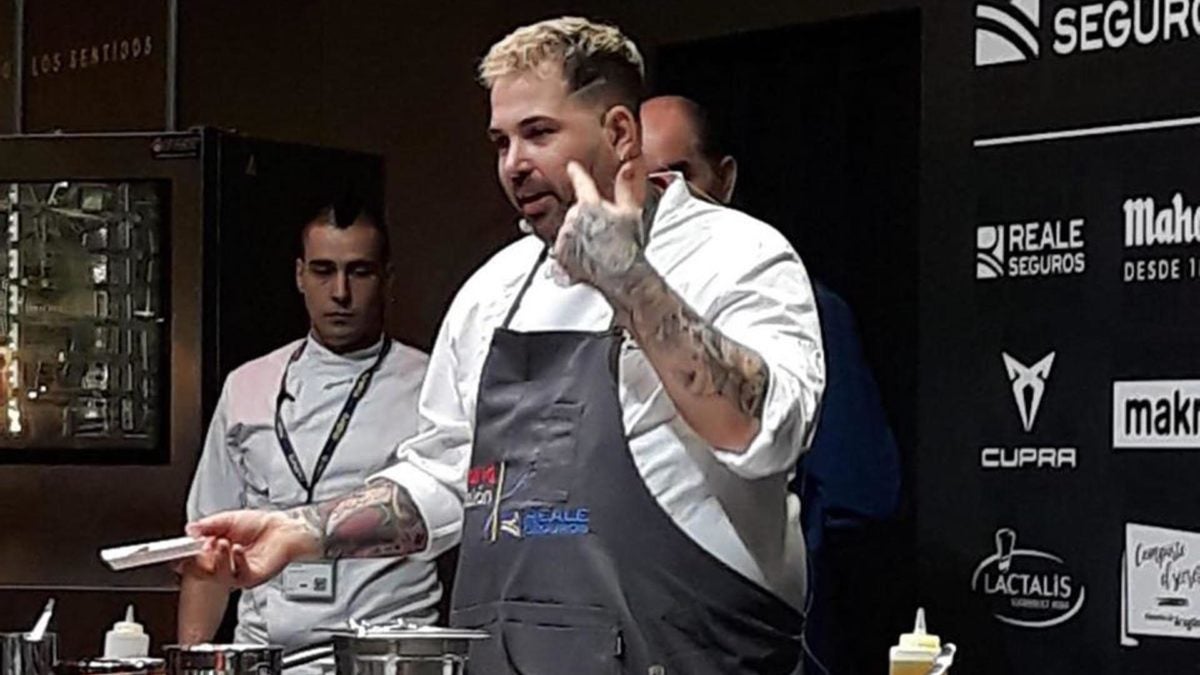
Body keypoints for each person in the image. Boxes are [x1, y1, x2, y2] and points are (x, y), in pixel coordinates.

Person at [185, 17, 825, 674]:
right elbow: (445, 474)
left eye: (539, 133)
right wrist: (304, 531)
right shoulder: (494, 289)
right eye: (501, 141)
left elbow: (765, 430)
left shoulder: (737, 255)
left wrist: (630, 281)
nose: (514, 164)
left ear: (620, 133)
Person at [642, 94, 902, 674]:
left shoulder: (799, 304)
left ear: (724, 178)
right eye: (641, 180)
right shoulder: (595, 305)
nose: (663, 199)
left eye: (678, 176)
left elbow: (859, 495)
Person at [178, 197, 435, 664]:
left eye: (359, 272)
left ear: (387, 279)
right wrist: (193, 661)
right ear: (300, 276)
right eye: (323, 270)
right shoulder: (248, 384)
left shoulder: (431, 384)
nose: (340, 292)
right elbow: (207, 551)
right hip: (263, 652)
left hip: (386, 654)